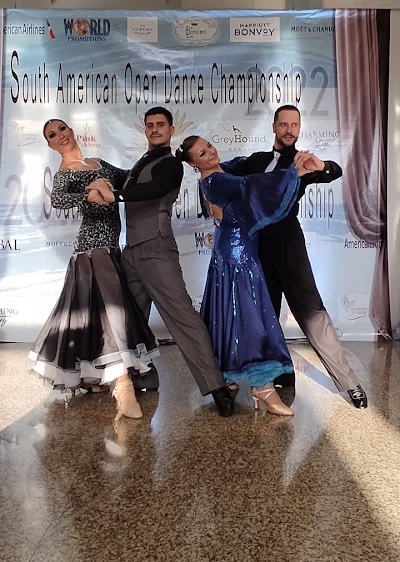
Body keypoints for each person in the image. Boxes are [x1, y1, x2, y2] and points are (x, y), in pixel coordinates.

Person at [86, 107, 238, 418]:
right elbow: (130, 179)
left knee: (182, 316)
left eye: (160, 125)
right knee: (129, 320)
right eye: (150, 125)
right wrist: (100, 166)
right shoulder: (144, 161)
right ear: (145, 131)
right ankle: (143, 376)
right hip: (132, 253)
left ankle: (216, 386)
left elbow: (152, 189)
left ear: (170, 131)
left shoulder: (170, 165)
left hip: (156, 249)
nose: (155, 129)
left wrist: (114, 195)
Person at [223, 104, 368, 409]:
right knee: (265, 316)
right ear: (274, 127)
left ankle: (349, 382)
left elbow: (333, 171)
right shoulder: (255, 161)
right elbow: (220, 173)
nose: (289, 129)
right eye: (284, 124)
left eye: (295, 125)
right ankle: (281, 373)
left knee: (312, 311)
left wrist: (322, 166)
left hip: (289, 245)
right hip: (256, 248)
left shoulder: (301, 163)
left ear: (299, 129)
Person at [29, 118, 159, 420]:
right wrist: (88, 193)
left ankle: (95, 377)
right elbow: (58, 199)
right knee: (113, 314)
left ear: (72, 131)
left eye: (62, 129)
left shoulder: (96, 162)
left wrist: (157, 160)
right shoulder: (66, 173)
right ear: (49, 144)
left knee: (97, 317)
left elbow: (129, 179)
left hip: (112, 248)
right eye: (52, 135)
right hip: (92, 248)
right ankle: (123, 385)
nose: (59, 135)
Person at [175, 135, 313, 415]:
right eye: (203, 153)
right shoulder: (216, 181)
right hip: (236, 256)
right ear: (193, 163)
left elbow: (244, 164)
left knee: (230, 315)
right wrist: (292, 172)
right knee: (249, 319)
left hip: (237, 253)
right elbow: (252, 184)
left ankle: (228, 377)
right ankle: (262, 388)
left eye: (210, 146)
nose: (211, 153)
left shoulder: (223, 169)